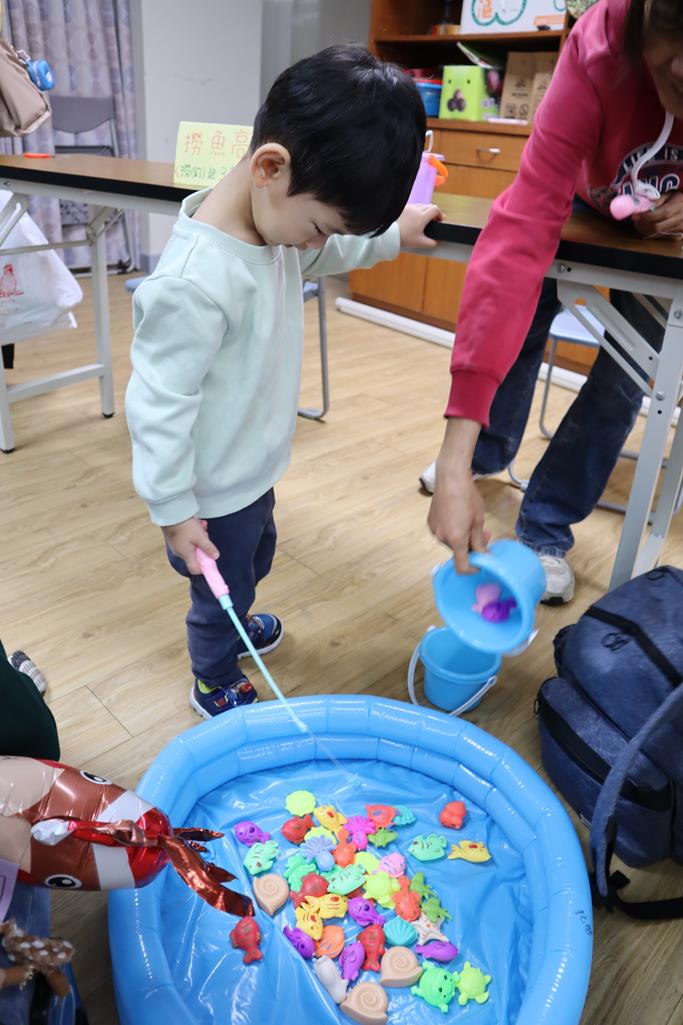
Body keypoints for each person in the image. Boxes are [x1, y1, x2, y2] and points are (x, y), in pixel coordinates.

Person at [126, 45, 441, 717]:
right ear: (270, 166)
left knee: (255, 559)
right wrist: (174, 510)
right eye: (317, 227)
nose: (314, 244)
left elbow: (332, 246)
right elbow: (157, 403)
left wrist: (395, 234)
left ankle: (239, 617)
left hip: (252, 465)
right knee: (222, 591)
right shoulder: (194, 282)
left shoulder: (273, 229)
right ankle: (213, 673)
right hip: (210, 490)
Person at [424, 0, 683, 604]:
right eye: (672, 24)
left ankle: (546, 528)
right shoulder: (599, 48)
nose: (681, 69)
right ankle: (482, 454)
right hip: (579, 204)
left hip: (664, 238)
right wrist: (454, 455)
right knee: (520, 316)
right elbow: (517, 239)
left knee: (629, 375)